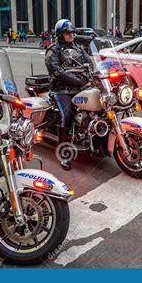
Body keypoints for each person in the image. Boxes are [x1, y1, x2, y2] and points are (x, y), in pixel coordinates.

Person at [44, 19, 94, 170]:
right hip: (62, 89)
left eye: (73, 32)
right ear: (60, 34)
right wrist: (78, 81)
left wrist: (90, 76)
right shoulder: (53, 50)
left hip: (80, 87)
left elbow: (90, 64)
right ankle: (64, 155)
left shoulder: (79, 49)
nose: (71, 35)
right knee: (67, 115)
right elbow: (57, 71)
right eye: (68, 32)